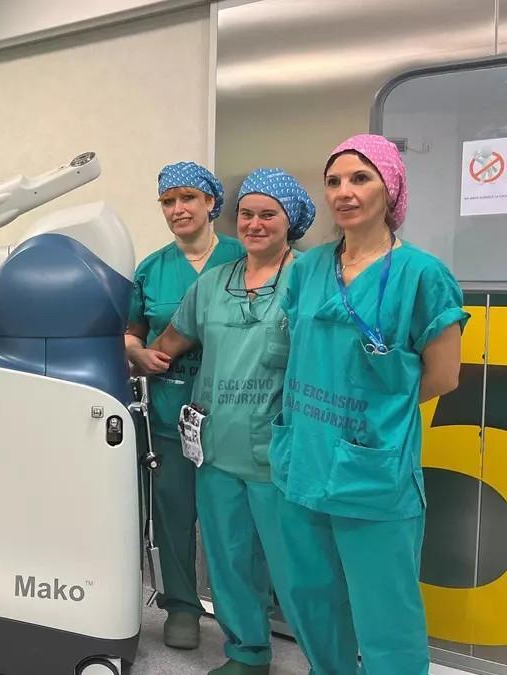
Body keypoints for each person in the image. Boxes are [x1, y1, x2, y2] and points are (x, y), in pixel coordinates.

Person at [270, 134, 465, 675]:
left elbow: (444, 375)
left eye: (360, 178)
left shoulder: (422, 274)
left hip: (374, 470)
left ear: (391, 187)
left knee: (386, 614)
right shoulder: (307, 269)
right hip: (303, 459)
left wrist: (377, 409)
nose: (344, 192)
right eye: (333, 181)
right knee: (311, 598)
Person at [146, 169, 316, 675]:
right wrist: (132, 351)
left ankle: (328, 662)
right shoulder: (213, 283)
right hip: (216, 446)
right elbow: (169, 343)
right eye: (247, 214)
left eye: (268, 214)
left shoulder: (309, 279)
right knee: (228, 556)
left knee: (299, 566)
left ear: (291, 219)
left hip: (279, 451)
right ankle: (246, 653)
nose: (254, 224)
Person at [125, 161, 244, 649]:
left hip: (237, 413)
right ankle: (181, 606)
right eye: (168, 201)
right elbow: (131, 332)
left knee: (233, 521)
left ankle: (243, 616)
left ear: (211, 202)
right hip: (171, 410)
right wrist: (135, 353)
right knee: (172, 513)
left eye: (188, 198)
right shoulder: (151, 269)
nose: (178, 209)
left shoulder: (244, 257)